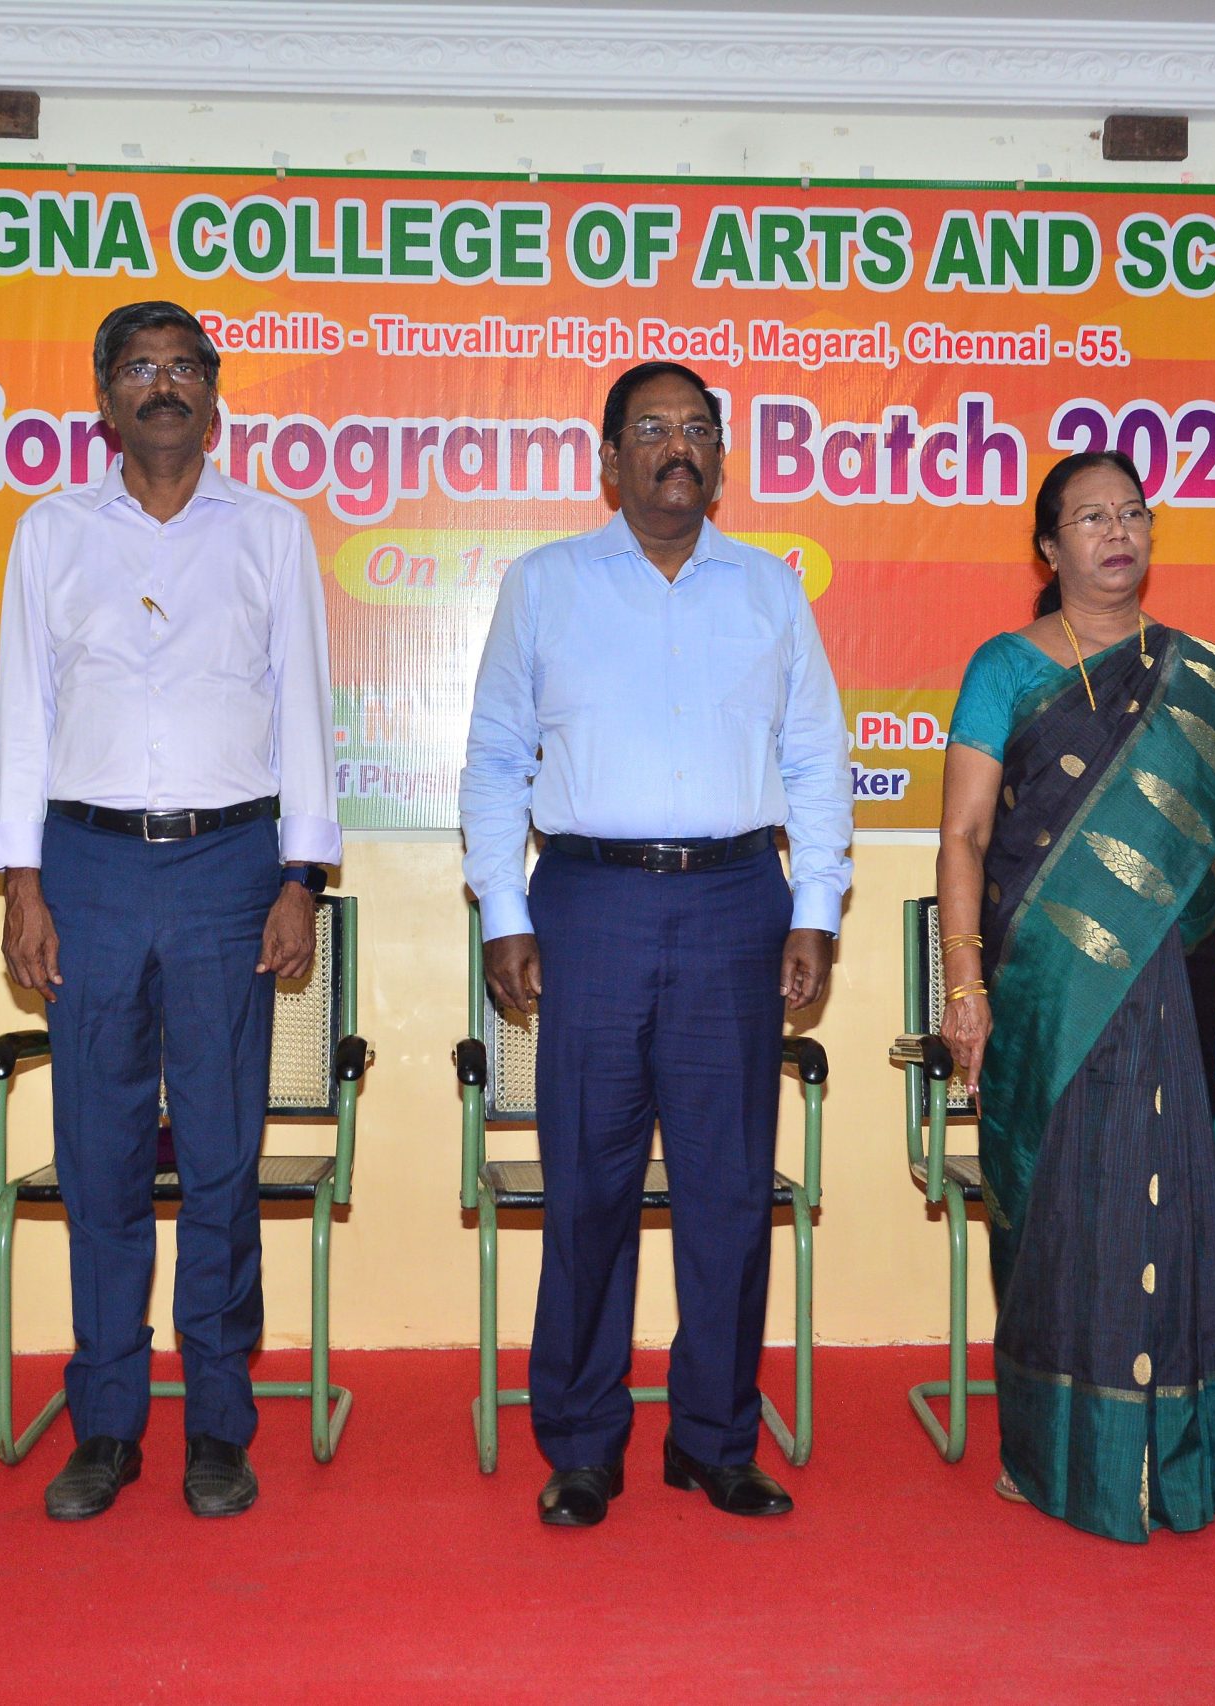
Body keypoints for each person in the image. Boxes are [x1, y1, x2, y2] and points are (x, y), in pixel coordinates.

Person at [461, 360, 853, 1528]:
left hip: (737, 902)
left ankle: (715, 1437)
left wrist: (815, 906)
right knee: (588, 1187)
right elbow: (495, 758)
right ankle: (583, 1442)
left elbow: (815, 759)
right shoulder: (544, 585)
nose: (675, 448)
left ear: (720, 458)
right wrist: (505, 910)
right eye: (651, 430)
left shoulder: (769, 590)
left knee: (728, 1190)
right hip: (589, 901)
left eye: (695, 430)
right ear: (609, 458)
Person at [935, 451, 1215, 1544]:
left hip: (1174, 977)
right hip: (1050, 990)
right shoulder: (1004, 667)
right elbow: (964, 833)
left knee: (1172, 1195)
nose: (1118, 532)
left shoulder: (1199, 680)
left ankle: (1178, 1450)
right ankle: (1055, 1451)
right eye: (1091, 518)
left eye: (1134, 514)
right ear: (1048, 547)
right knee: (1064, 1208)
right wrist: (964, 981)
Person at [0, 300, 339, 1522]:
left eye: (183, 366)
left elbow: (303, 704)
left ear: (213, 388)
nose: (163, 386)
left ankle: (219, 1425)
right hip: (84, 866)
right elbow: (25, 711)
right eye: (138, 368)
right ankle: (104, 1423)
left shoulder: (269, 532)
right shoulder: (50, 532)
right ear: (103, 395)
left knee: (224, 1159)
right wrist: (22, 878)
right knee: (99, 1159)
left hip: (229, 868)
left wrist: (299, 876)